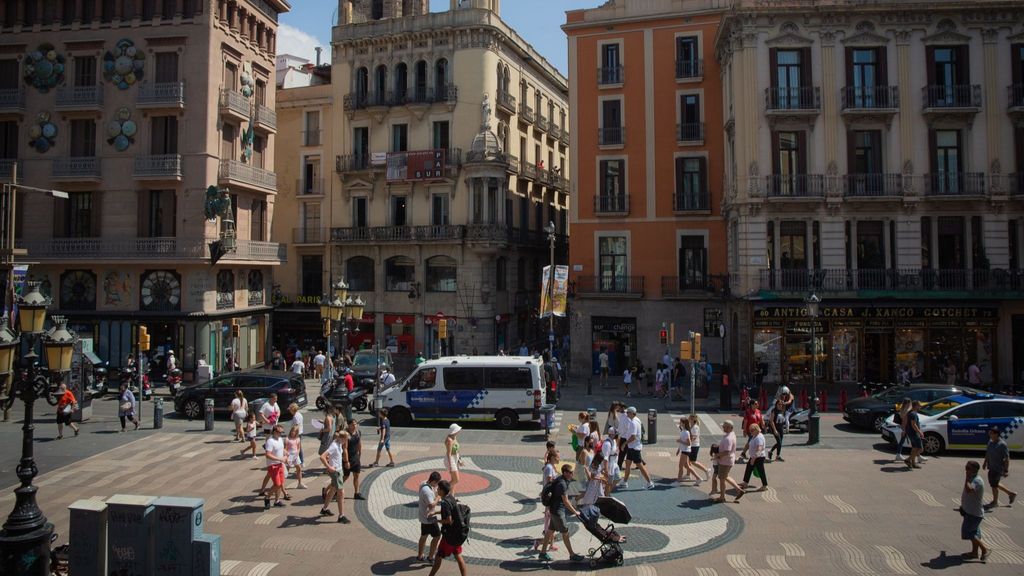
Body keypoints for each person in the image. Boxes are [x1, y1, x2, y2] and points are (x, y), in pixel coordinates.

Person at [537, 464, 585, 563]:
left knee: (549, 531)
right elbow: (566, 501)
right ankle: (572, 554)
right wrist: (575, 512)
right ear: (565, 473)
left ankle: (542, 553)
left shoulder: (560, 480)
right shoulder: (562, 484)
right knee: (565, 532)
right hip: (558, 512)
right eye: (571, 472)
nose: (572, 474)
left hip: (554, 510)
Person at [427, 480, 468, 576]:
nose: (437, 490)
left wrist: (437, 521)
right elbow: (450, 512)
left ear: (442, 491)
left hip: (449, 536)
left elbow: (449, 520)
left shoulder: (444, 503)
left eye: (438, 489)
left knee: (438, 556)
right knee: (458, 556)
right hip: (458, 533)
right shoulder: (451, 498)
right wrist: (436, 512)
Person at [959, 460, 990, 562]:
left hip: (974, 513)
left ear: (974, 470)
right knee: (974, 533)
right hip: (970, 511)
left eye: (968, 468)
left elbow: (969, 489)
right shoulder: (972, 478)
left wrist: (967, 478)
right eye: (966, 467)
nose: (965, 470)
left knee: (968, 533)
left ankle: (985, 549)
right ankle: (974, 553)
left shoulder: (977, 480)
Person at [318, 429, 351, 523]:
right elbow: (322, 456)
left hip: (339, 470)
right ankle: (341, 516)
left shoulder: (338, 443)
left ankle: (324, 509)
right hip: (335, 472)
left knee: (332, 490)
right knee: (341, 493)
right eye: (346, 439)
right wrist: (328, 467)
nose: (346, 441)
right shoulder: (334, 446)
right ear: (341, 438)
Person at [621, 406, 655, 490]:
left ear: (632, 413)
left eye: (628, 412)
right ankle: (625, 482)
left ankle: (649, 482)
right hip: (632, 447)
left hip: (634, 447)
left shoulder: (633, 423)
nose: (627, 414)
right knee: (628, 463)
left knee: (639, 465)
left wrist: (624, 444)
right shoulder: (636, 420)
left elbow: (633, 436)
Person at [983, 427, 1017, 508]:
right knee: (994, 483)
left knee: (994, 485)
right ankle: (1011, 494)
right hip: (991, 466)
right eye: (989, 433)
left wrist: (1006, 470)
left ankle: (995, 502)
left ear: (996, 434)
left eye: (991, 433)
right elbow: (988, 453)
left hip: (998, 468)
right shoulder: (990, 442)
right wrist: (985, 462)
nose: (990, 435)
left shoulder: (1002, 444)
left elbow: (1007, 458)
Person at [712, 420, 745, 503]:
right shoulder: (731, 435)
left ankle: (722, 497)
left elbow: (727, 451)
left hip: (725, 461)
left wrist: (717, 456)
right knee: (725, 476)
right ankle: (738, 490)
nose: (723, 427)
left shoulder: (728, 438)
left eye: (725, 426)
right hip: (728, 460)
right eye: (723, 426)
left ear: (730, 428)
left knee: (722, 479)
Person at [418, 471, 442, 561]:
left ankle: (420, 555)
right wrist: (438, 496)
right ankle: (431, 557)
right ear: (434, 482)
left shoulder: (423, 483)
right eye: (437, 484)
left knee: (424, 535)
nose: (437, 486)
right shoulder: (427, 491)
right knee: (437, 536)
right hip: (430, 517)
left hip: (423, 515)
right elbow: (431, 505)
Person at [262, 425, 288, 510]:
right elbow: (267, 454)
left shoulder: (280, 439)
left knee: (280, 484)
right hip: (273, 465)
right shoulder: (270, 441)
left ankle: (277, 501)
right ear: (274, 431)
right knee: (277, 484)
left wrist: (285, 453)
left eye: (282, 432)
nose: (281, 434)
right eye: (279, 432)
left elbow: (281, 449)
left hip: (280, 464)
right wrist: (279, 459)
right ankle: (267, 498)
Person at [739, 423, 768, 494]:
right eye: (750, 430)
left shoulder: (759, 437)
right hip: (754, 457)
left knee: (761, 471)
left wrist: (753, 459)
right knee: (748, 468)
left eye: (752, 430)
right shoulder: (754, 436)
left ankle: (764, 485)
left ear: (757, 429)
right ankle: (745, 483)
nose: (750, 432)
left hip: (758, 457)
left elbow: (759, 449)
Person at [687, 414, 712, 481]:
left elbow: (694, 437)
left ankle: (706, 470)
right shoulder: (691, 426)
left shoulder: (695, 427)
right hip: (692, 445)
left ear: (692, 419)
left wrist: (687, 443)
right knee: (688, 461)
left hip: (694, 446)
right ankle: (688, 474)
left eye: (689, 418)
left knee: (693, 461)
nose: (688, 419)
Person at [344, 419, 364, 500]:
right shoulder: (346, 434)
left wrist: (360, 454)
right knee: (345, 477)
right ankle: (331, 489)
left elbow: (359, 443)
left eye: (355, 424)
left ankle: (357, 493)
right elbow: (344, 448)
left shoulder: (358, 432)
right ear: (348, 425)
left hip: (355, 457)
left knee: (356, 475)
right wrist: (346, 461)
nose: (354, 426)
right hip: (348, 458)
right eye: (352, 424)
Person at [676, 416, 697, 485]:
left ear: (684, 423)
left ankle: (679, 479)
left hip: (686, 451)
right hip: (684, 450)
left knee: (681, 466)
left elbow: (689, 443)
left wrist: (680, 441)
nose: (679, 423)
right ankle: (698, 478)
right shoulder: (683, 431)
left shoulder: (686, 432)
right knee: (686, 466)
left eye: (680, 422)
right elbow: (683, 441)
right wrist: (679, 449)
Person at [285, 425, 307, 490]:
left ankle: (300, 483)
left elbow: (299, 447)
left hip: (295, 455)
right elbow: (285, 448)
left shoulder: (298, 439)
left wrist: (297, 452)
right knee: (286, 470)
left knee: (299, 468)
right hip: (289, 455)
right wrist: (287, 456)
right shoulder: (287, 438)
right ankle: (282, 484)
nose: (292, 432)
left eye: (294, 431)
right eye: (292, 431)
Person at [905, 400, 924, 470]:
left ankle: (913, 463)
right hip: (914, 433)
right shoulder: (913, 414)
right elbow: (913, 425)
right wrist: (920, 432)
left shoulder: (910, 413)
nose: (920, 406)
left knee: (914, 448)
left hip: (910, 432)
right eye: (919, 405)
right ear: (915, 406)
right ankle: (908, 459)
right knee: (920, 449)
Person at [893, 397, 913, 462]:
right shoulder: (906, 411)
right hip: (906, 428)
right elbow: (904, 421)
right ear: (908, 403)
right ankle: (899, 455)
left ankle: (898, 455)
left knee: (903, 441)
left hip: (904, 428)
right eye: (910, 402)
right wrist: (904, 430)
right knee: (915, 442)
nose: (911, 404)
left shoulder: (902, 409)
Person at [445, 423, 463, 494]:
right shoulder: (449, 440)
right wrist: (450, 465)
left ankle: (452, 497)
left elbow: (457, 451)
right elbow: (449, 453)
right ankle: (441, 491)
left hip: (455, 458)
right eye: (458, 430)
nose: (459, 431)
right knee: (456, 480)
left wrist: (459, 460)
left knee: (453, 479)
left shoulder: (454, 437)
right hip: (450, 459)